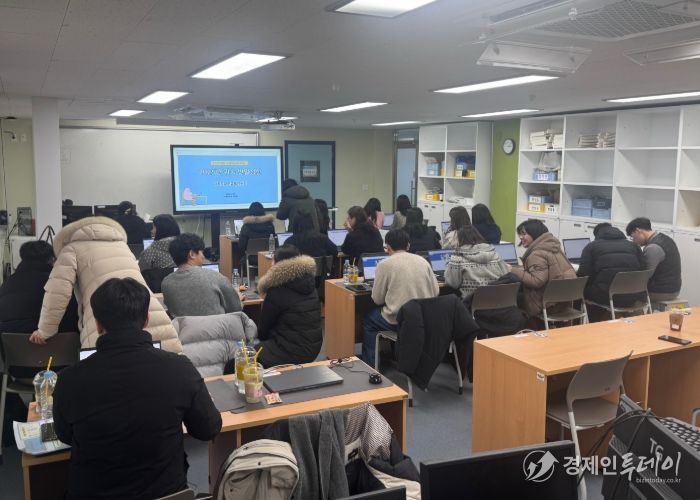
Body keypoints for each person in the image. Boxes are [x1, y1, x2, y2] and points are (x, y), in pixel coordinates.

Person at [52, 278, 221, 500]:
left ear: (98, 324)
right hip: (168, 495)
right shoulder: (180, 369)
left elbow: (65, 435)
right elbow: (208, 429)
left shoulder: (69, 380)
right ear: (146, 320)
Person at [28, 216, 181, 352]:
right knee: (161, 366)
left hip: (106, 321)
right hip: (147, 313)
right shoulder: (121, 245)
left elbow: (57, 292)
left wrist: (45, 330)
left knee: (109, 371)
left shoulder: (71, 249)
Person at [362, 229, 439, 366]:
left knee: (369, 321)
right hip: (424, 317)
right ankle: (393, 353)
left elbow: (377, 299)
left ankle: (370, 365)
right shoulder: (423, 261)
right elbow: (436, 291)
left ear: (387, 246)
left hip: (398, 319)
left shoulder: (384, 264)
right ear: (408, 245)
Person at [256, 245, 322, 367]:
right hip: (313, 347)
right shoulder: (310, 284)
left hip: (291, 351)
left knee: (246, 356)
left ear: (277, 264)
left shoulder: (276, 290)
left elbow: (263, 331)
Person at [0, 241, 78, 334]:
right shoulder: (56, 281)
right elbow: (74, 317)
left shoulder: (7, 283)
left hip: (11, 341)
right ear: (51, 259)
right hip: (54, 340)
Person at [161, 233, 243, 317]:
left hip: (183, 326)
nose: (203, 257)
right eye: (202, 252)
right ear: (192, 254)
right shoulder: (216, 277)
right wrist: (238, 299)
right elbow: (235, 309)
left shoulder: (166, 283)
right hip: (216, 325)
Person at [508, 219, 576, 317]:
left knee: (508, 298)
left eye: (524, 234)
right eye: (520, 234)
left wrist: (512, 270)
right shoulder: (553, 247)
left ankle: (527, 325)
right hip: (563, 302)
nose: (520, 237)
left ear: (534, 233)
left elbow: (537, 281)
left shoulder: (537, 254)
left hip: (546, 305)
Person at [577, 223, 645, 319]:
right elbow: (643, 269)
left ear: (597, 235)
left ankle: (585, 323)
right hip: (634, 295)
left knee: (579, 292)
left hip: (607, 296)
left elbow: (583, 275)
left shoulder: (591, 247)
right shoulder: (634, 246)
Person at [626, 217, 682, 301]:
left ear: (638, 231)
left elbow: (644, 275)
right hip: (672, 288)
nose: (634, 241)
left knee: (623, 294)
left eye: (633, 237)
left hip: (661, 292)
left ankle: (639, 310)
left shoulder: (653, 248)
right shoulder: (666, 239)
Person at [445, 226, 508, 299]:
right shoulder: (495, 255)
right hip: (498, 300)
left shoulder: (457, 259)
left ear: (460, 240)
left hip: (472, 302)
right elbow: (506, 277)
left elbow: (452, 283)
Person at [238, 202, 276, 268]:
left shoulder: (246, 226)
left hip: (252, 258)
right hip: (268, 256)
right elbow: (273, 242)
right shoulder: (270, 225)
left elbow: (241, 246)